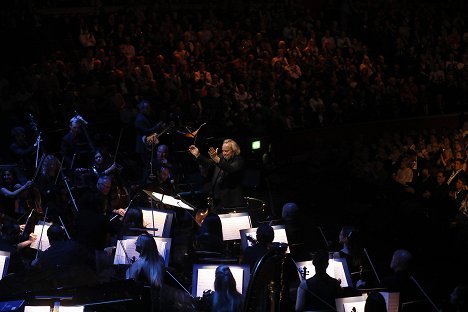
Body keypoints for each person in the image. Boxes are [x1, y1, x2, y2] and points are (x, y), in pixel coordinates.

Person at [188, 139, 245, 210]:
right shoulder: (221, 157)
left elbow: (230, 169)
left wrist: (216, 158)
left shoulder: (238, 159)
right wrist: (198, 155)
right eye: (223, 150)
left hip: (231, 202)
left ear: (233, 151)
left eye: (226, 151)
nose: (224, 153)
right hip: (218, 200)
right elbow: (208, 163)